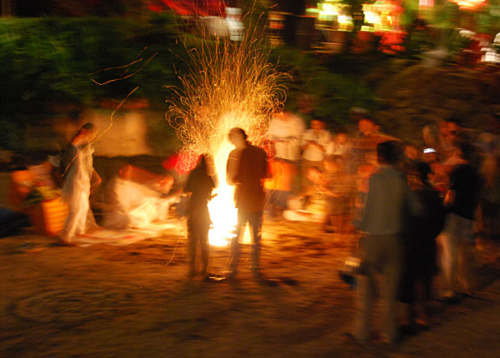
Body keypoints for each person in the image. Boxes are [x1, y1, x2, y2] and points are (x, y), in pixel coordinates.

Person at [351, 140, 418, 345]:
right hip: (395, 240)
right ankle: (390, 333)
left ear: (379, 158)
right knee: (391, 290)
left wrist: (357, 226)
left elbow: (362, 209)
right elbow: (415, 209)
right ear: (397, 158)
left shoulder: (372, 180)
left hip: (372, 238)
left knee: (367, 290)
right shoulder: (401, 179)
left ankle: (362, 333)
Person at [438, 141, 483, 300]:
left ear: (458, 153)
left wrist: (442, 208)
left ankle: (451, 289)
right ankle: (467, 286)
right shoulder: (477, 174)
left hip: (454, 215)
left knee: (450, 254)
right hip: (469, 217)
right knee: (466, 254)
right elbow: (477, 198)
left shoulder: (458, 171)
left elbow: (451, 194)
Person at [226, 128, 269, 279]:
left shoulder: (236, 154)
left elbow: (230, 179)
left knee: (240, 234)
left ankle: (235, 267)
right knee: (252, 235)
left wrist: (240, 179)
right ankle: (253, 267)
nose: (234, 141)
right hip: (252, 199)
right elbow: (266, 174)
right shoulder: (258, 152)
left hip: (246, 199)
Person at [60, 123, 101, 245]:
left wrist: (96, 176)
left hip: (84, 179)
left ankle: (79, 230)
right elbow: (71, 159)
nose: (94, 136)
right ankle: (65, 236)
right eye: (92, 133)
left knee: (83, 206)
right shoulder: (75, 143)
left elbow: (88, 164)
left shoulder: (87, 145)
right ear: (85, 131)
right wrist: (82, 135)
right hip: (76, 179)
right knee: (76, 207)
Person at [102, 164, 174, 229]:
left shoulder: (126, 183)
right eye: (128, 172)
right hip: (116, 215)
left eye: (131, 172)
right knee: (130, 219)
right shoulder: (114, 184)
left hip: (126, 211)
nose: (131, 174)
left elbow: (139, 195)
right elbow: (118, 205)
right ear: (121, 172)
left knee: (148, 206)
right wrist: (130, 213)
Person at [264, 110, 305, 218]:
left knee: (285, 183)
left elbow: (298, 138)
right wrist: (274, 141)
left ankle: (281, 208)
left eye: (278, 114)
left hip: (289, 156)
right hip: (276, 156)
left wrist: (286, 141)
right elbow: (269, 135)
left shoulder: (296, 121)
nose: (277, 117)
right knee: (272, 182)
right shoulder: (275, 121)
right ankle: (271, 209)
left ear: (284, 112)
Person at [184, 154, 217, 279]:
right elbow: (209, 193)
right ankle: (204, 270)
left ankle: (192, 269)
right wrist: (210, 197)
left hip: (193, 210)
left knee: (192, 241)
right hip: (203, 211)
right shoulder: (208, 178)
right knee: (204, 241)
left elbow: (187, 189)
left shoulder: (193, 174)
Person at [301, 119, 331, 192]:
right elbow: (302, 147)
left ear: (322, 124)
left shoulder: (326, 134)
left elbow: (324, 149)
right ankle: (306, 195)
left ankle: (319, 194)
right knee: (306, 180)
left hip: (319, 159)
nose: (315, 126)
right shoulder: (307, 133)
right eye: (313, 124)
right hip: (307, 158)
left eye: (317, 124)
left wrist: (314, 143)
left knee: (319, 179)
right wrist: (308, 143)